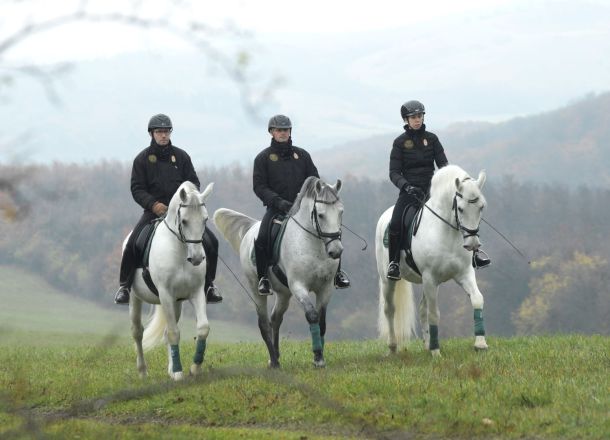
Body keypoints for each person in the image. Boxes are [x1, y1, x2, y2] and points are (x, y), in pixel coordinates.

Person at [113, 114, 223, 305]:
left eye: (166, 131)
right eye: (159, 132)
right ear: (152, 134)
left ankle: (209, 285)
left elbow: (193, 182)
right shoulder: (142, 159)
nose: (163, 135)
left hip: (182, 213)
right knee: (133, 243)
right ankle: (124, 286)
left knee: (212, 242)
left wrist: (187, 199)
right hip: (153, 211)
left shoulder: (181, 156)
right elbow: (137, 188)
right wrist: (154, 205)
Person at [387, 100, 490, 280]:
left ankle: (474, 255)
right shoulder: (399, 143)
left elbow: (443, 166)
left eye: (420, 116)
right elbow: (394, 173)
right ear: (406, 120)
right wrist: (406, 186)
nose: (417, 120)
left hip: (432, 190)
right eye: (413, 117)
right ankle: (394, 263)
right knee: (395, 223)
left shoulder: (432, 139)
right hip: (410, 192)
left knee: (463, 213)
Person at [252, 114, 351, 294]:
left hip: (304, 210)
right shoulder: (263, 158)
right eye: (279, 130)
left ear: (290, 132)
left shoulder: (302, 155)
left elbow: (315, 181)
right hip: (277, 209)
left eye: (286, 130)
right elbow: (259, 187)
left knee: (332, 231)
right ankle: (263, 278)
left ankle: (337, 274)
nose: (283, 133)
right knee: (262, 238)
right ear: (272, 132)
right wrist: (278, 202)